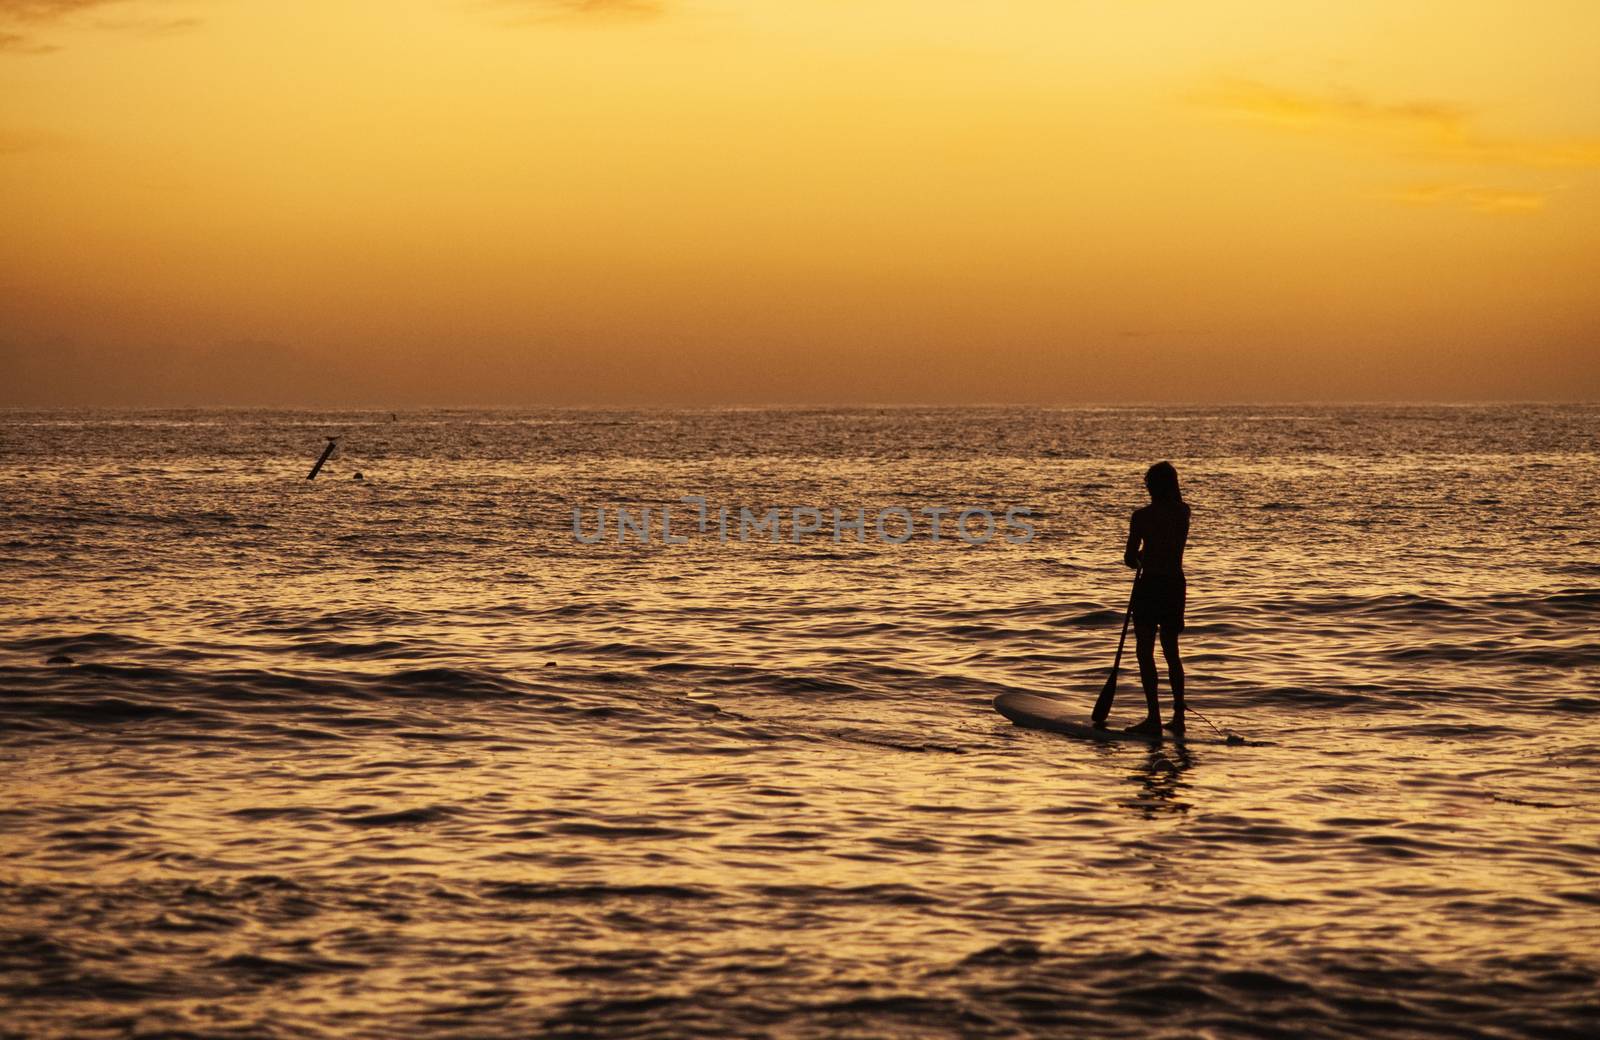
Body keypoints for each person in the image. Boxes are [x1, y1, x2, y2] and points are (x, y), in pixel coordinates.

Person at [1122, 461, 1190, 736]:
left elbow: (1129, 558)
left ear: (1152, 486)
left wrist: (1140, 558)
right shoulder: (1183, 512)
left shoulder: (1141, 517)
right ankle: (1178, 717)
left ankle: (1154, 718)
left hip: (1150, 585)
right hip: (1174, 585)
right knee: (1171, 652)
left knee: (1145, 652)